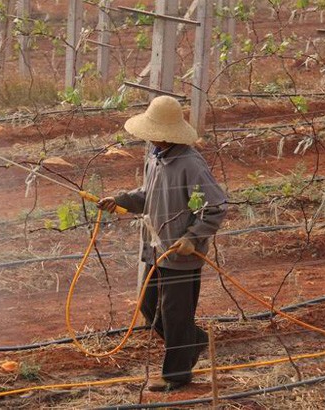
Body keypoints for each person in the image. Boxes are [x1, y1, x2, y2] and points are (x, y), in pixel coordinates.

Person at [97, 95, 227, 391]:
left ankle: (177, 374)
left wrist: (192, 238)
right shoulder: (155, 157)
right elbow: (148, 195)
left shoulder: (190, 164)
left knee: (174, 313)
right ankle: (192, 341)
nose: (150, 138)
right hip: (155, 249)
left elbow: (215, 206)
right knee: (149, 305)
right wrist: (120, 201)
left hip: (180, 253)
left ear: (168, 133)